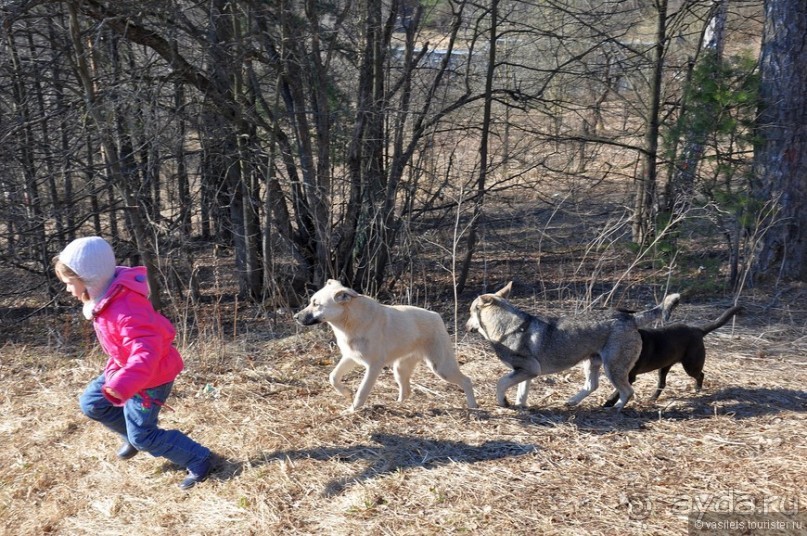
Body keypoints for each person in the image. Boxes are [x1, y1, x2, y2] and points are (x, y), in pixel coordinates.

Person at [54, 236, 212, 490]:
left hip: (150, 378)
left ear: (89, 278)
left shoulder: (125, 309)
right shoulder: (106, 295)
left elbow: (146, 353)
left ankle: (199, 458)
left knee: (144, 436)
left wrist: (124, 385)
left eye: (69, 283)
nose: (67, 289)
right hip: (126, 370)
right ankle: (130, 433)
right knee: (92, 404)